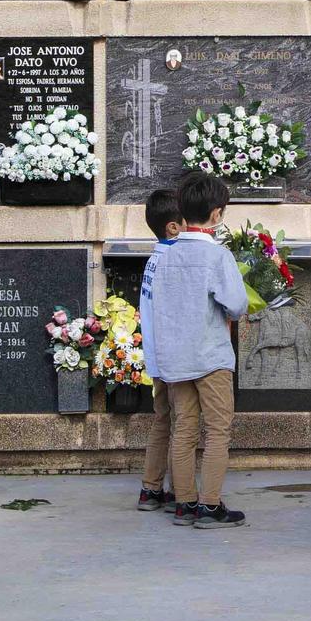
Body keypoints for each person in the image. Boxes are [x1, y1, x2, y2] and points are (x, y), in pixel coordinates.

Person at [141, 171, 247, 528]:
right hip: (210, 356)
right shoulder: (218, 257)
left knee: (183, 429)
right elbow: (235, 305)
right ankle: (210, 505)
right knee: (217, 430)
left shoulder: (163, 255)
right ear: (217, 214)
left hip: (175, 357)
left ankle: (184, 503)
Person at [136, 188, 182, 512]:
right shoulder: (175, 261)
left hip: (157, 357)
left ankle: (150, 489)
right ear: (173, 227)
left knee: (162, 421)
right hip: (174, 358)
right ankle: (182, 493)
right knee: (183, 424)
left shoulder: (155, 258)